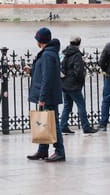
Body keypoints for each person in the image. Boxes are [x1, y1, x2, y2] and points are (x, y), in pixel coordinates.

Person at [26, 27, 66, 162]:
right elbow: (43, 73)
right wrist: (31, 71)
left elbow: (47, 77)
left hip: (47, 96)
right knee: (44, 123)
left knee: (52, 123)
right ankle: (42, 150)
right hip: (47, 95)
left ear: (40, 41)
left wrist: (42, 98)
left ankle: (59, 151)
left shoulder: (48, 55)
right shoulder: (48, 53)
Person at [59, 35, 97, 135]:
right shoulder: (77, 55)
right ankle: (86, 127)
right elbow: (78, 71)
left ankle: (63, 126)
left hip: (64, 83)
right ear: (79, 43)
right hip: (73, 85)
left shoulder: (65, 53)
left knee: (67, 106)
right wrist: (80, 80)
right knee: (81, 105)